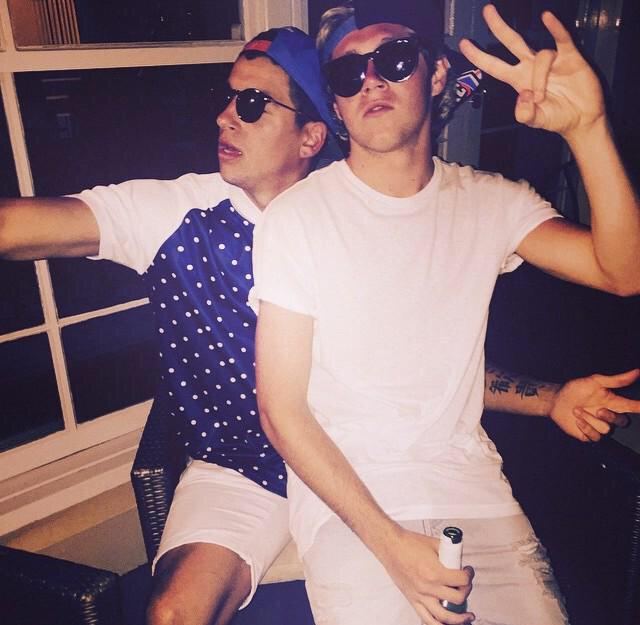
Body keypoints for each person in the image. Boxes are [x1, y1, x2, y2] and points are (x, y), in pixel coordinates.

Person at [0, 17, 635, 625]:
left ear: (311, 136)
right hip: (256, 468)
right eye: (348, 75)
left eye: (254, 103)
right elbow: (22, 226)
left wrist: (586, 130)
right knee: (174, 612)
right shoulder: (193, 214)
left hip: (408, 471)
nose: (225, 115)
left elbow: (426, 366)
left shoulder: (429, 206)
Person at [252, 2, 640, 625]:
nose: (370, 81)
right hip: (352, 502)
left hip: (473, 489)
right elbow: (281, 410)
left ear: (436, 75)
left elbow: (622, 272)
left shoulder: (490, 202)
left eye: (394, 60)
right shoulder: (297, 218)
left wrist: (588, 130)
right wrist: (389, 544)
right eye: (348, 75)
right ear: (338, 106)